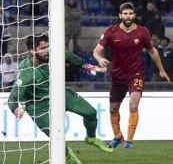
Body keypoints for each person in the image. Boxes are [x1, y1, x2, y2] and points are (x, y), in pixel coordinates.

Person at [8, 35, 112, 164]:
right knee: (56, 136)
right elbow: (13, 97)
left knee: (91, 113)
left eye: (48, 46)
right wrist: (16, 110)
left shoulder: (56, 54)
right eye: (42, 48)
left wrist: (87, 67)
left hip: (59, 94)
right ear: (32, 51)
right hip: (38, 105)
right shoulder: (26, 72)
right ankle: (67, 155)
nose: (47, 50)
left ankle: (91, 138)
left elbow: (70, 57)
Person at [93, 2, 170, 149]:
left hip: (136, 74)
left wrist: (161, 69)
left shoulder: (142, 32)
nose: (128, 16)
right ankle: (117, 136)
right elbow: (96, 51)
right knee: (113, 109)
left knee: (133, 105)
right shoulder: (111, 31)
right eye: (125, 14)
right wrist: (99, 58)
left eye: (130, 13)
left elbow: (152, 51)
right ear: (120, 15)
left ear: (134, 15)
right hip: (117, 76)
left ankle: (129, 140)